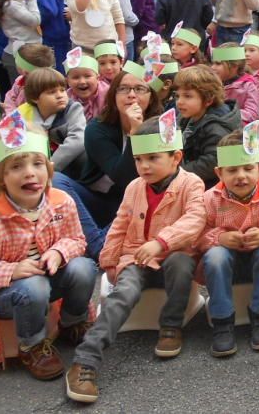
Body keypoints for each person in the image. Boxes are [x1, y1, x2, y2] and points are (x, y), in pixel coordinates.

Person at [65, 115, 206, 403]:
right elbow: (119, 224)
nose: (144, 166)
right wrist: (109, 261)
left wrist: (161, 242)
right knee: (122, 294)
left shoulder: (192, 184)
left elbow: (196, 219)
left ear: (176, 157)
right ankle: (86, 360)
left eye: (153, 158)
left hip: (171, 252)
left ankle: (171, 325)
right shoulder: (134, 187)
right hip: (135, 256)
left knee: (181, 264)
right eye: (139, 159)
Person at [0, 119, 97, 378]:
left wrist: (58, 252)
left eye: (37, 164)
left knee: (84, 267)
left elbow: (77, 240)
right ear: (0, 176)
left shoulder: (61, 202)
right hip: (8, 295)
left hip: (51, 280)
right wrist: (12, 270)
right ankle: (31, 344)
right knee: (33, 285)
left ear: (50, 169)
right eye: (16, 166)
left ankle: (72, 321)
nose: (29, 173)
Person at [199, 128, 259, 356]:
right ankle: (222, 320)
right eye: (232, 170)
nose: (240, 176)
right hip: (227, 267)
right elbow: (197, 235)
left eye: (248, 168)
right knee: (215, 255)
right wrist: (219, 238)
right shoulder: (209, 200)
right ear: (219, 173)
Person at [52, 64, 164, 259]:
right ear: (113, 95)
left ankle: (102, 245)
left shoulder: (163, 126)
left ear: (151, 96)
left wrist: (138, 132)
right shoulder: (97, 128)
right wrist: (134, 134)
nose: (131, 95)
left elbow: (137, 182)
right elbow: (122, 176)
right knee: (55, 179)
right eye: (123, 89)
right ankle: (99, 244)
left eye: (139, 89)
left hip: (142, 203)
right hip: (98, 201)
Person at [17, 68, 87, 178]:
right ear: (35, 98)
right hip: (38, 170)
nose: (60, 95)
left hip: (74, 169)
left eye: (62, 90)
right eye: (52, 92)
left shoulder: (72, 109)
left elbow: (78, 139)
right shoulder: (23, 114)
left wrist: (48, 168)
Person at [209, 43, 259, 126]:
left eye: (218, 64)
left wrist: (225, 112)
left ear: (234, 66)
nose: (212, 67)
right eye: (212, 63)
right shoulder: (212, 83)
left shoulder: (248, 86)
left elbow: (251, 115)